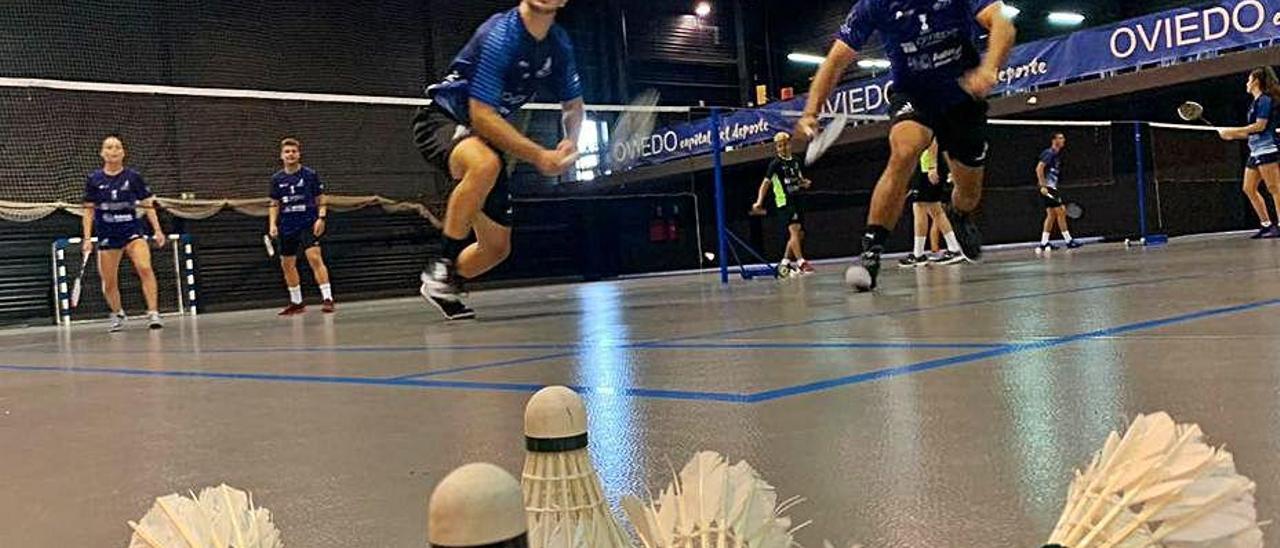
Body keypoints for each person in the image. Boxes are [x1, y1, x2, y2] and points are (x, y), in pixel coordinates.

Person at [795, 0, 1016, 291]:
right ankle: (871, 252)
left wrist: (990, 68)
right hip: (914, 95)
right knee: (904, 150)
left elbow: (1003, 25)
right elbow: (835, 61)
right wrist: (811, 112)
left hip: (963, 96)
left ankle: (959, 215)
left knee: (969, 193)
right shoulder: (873, 6)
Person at [412, 0, 584, 320]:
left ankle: (445, 284)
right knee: (484, 165)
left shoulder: (558, 44)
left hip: (486, 138)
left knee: (496, 248)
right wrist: (539, 156)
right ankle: (443, 264)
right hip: (444, 119)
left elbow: (573, 105)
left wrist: (569, 143)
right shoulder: (499, 35)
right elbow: (481, 115)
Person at [81, 135, 167, 332]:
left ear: (123, 152)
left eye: (117, 147)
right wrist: (87, 238)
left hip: (132, 231)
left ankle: (153, 313)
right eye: (109, 147)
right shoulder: (93, 180)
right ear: (102, 153)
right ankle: (118, 312)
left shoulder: (133, 177)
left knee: (145, 267)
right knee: (109, 281)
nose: (113, 151)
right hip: (107, 235)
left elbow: (147, 204)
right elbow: (88, 210)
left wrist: (157, 230)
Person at [268, 137, 335, 315]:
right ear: (281, 156)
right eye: (287, 152)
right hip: (286, 226)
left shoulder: (310, 175)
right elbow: (274, 203)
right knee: (287, 264)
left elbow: (321, 198)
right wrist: (272, 224)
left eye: (294, 151)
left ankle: (327, 298)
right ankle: (297, 302)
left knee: (314, 258)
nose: (290, 154)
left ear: (299, 154)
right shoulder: (276, 179)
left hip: (307, 223)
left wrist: (321, 217)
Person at [1219, 67, 1280, 239]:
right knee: (1248, 188)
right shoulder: (1254, 103)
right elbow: (1250, 131)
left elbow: (1260, 127)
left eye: (1248, 80)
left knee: (1274, 188)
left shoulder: (1265, 101)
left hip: (1267, 148)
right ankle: (1266, 225)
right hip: (1255, 151)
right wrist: (1232, 134)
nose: (1246, 83)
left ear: (1256, 82)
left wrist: (1233, 132)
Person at [751, 132, 814, 275]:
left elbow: (799, 180)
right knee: (794, 230)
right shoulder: (775, 164)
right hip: (784, 201)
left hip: (797, 198)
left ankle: (785, 262)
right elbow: (765, 184)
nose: (782, 148)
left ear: (789, 144)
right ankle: (801, 262)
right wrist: (759, 201)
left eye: (785, 144)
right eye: (779, 146)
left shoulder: (796, 160)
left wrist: (805, 183)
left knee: (800, 234)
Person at [899, 140, 967, 267]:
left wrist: (932, 167)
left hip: (927, 168)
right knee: (935, 209)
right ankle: (954, 249)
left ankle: (918, 255)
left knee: (919, 207)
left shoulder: (927, 122)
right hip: (929, 166)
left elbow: (933, 140)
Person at [1036, 132, 1082, 250]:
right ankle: (1068, 240)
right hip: (1048, 188)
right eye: (1060, 138)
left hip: (1051, 187)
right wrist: (1043, 186)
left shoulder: (1056, 155)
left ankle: (1044, 243)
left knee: (1051, 215)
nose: (1063, 140)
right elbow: (1039, 168)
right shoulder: (1049, 153)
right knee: (1061, 211)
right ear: (1054, 140)